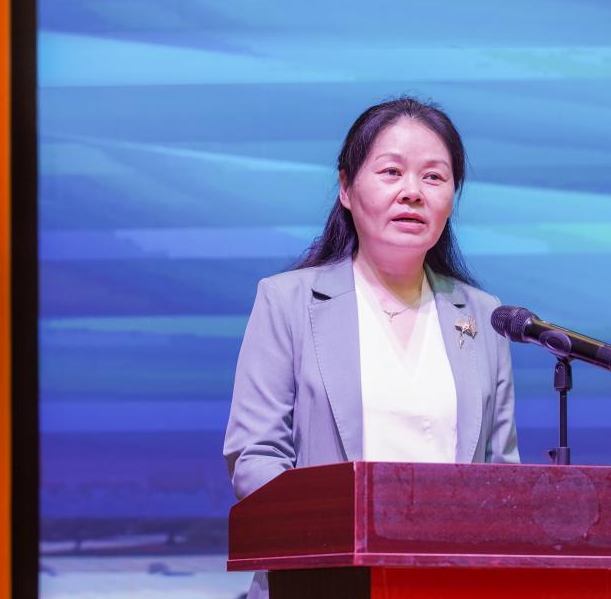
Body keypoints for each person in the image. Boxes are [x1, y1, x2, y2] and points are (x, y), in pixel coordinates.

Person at [222, 96, 519, 597]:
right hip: (321, 581)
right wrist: (340, 538)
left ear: (453, 196)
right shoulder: (287, 301)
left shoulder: (483, 316)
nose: (412, 192)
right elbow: (256, 456)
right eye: (391, 172)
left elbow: (502, 475)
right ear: (346, 187)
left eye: (434, 176)